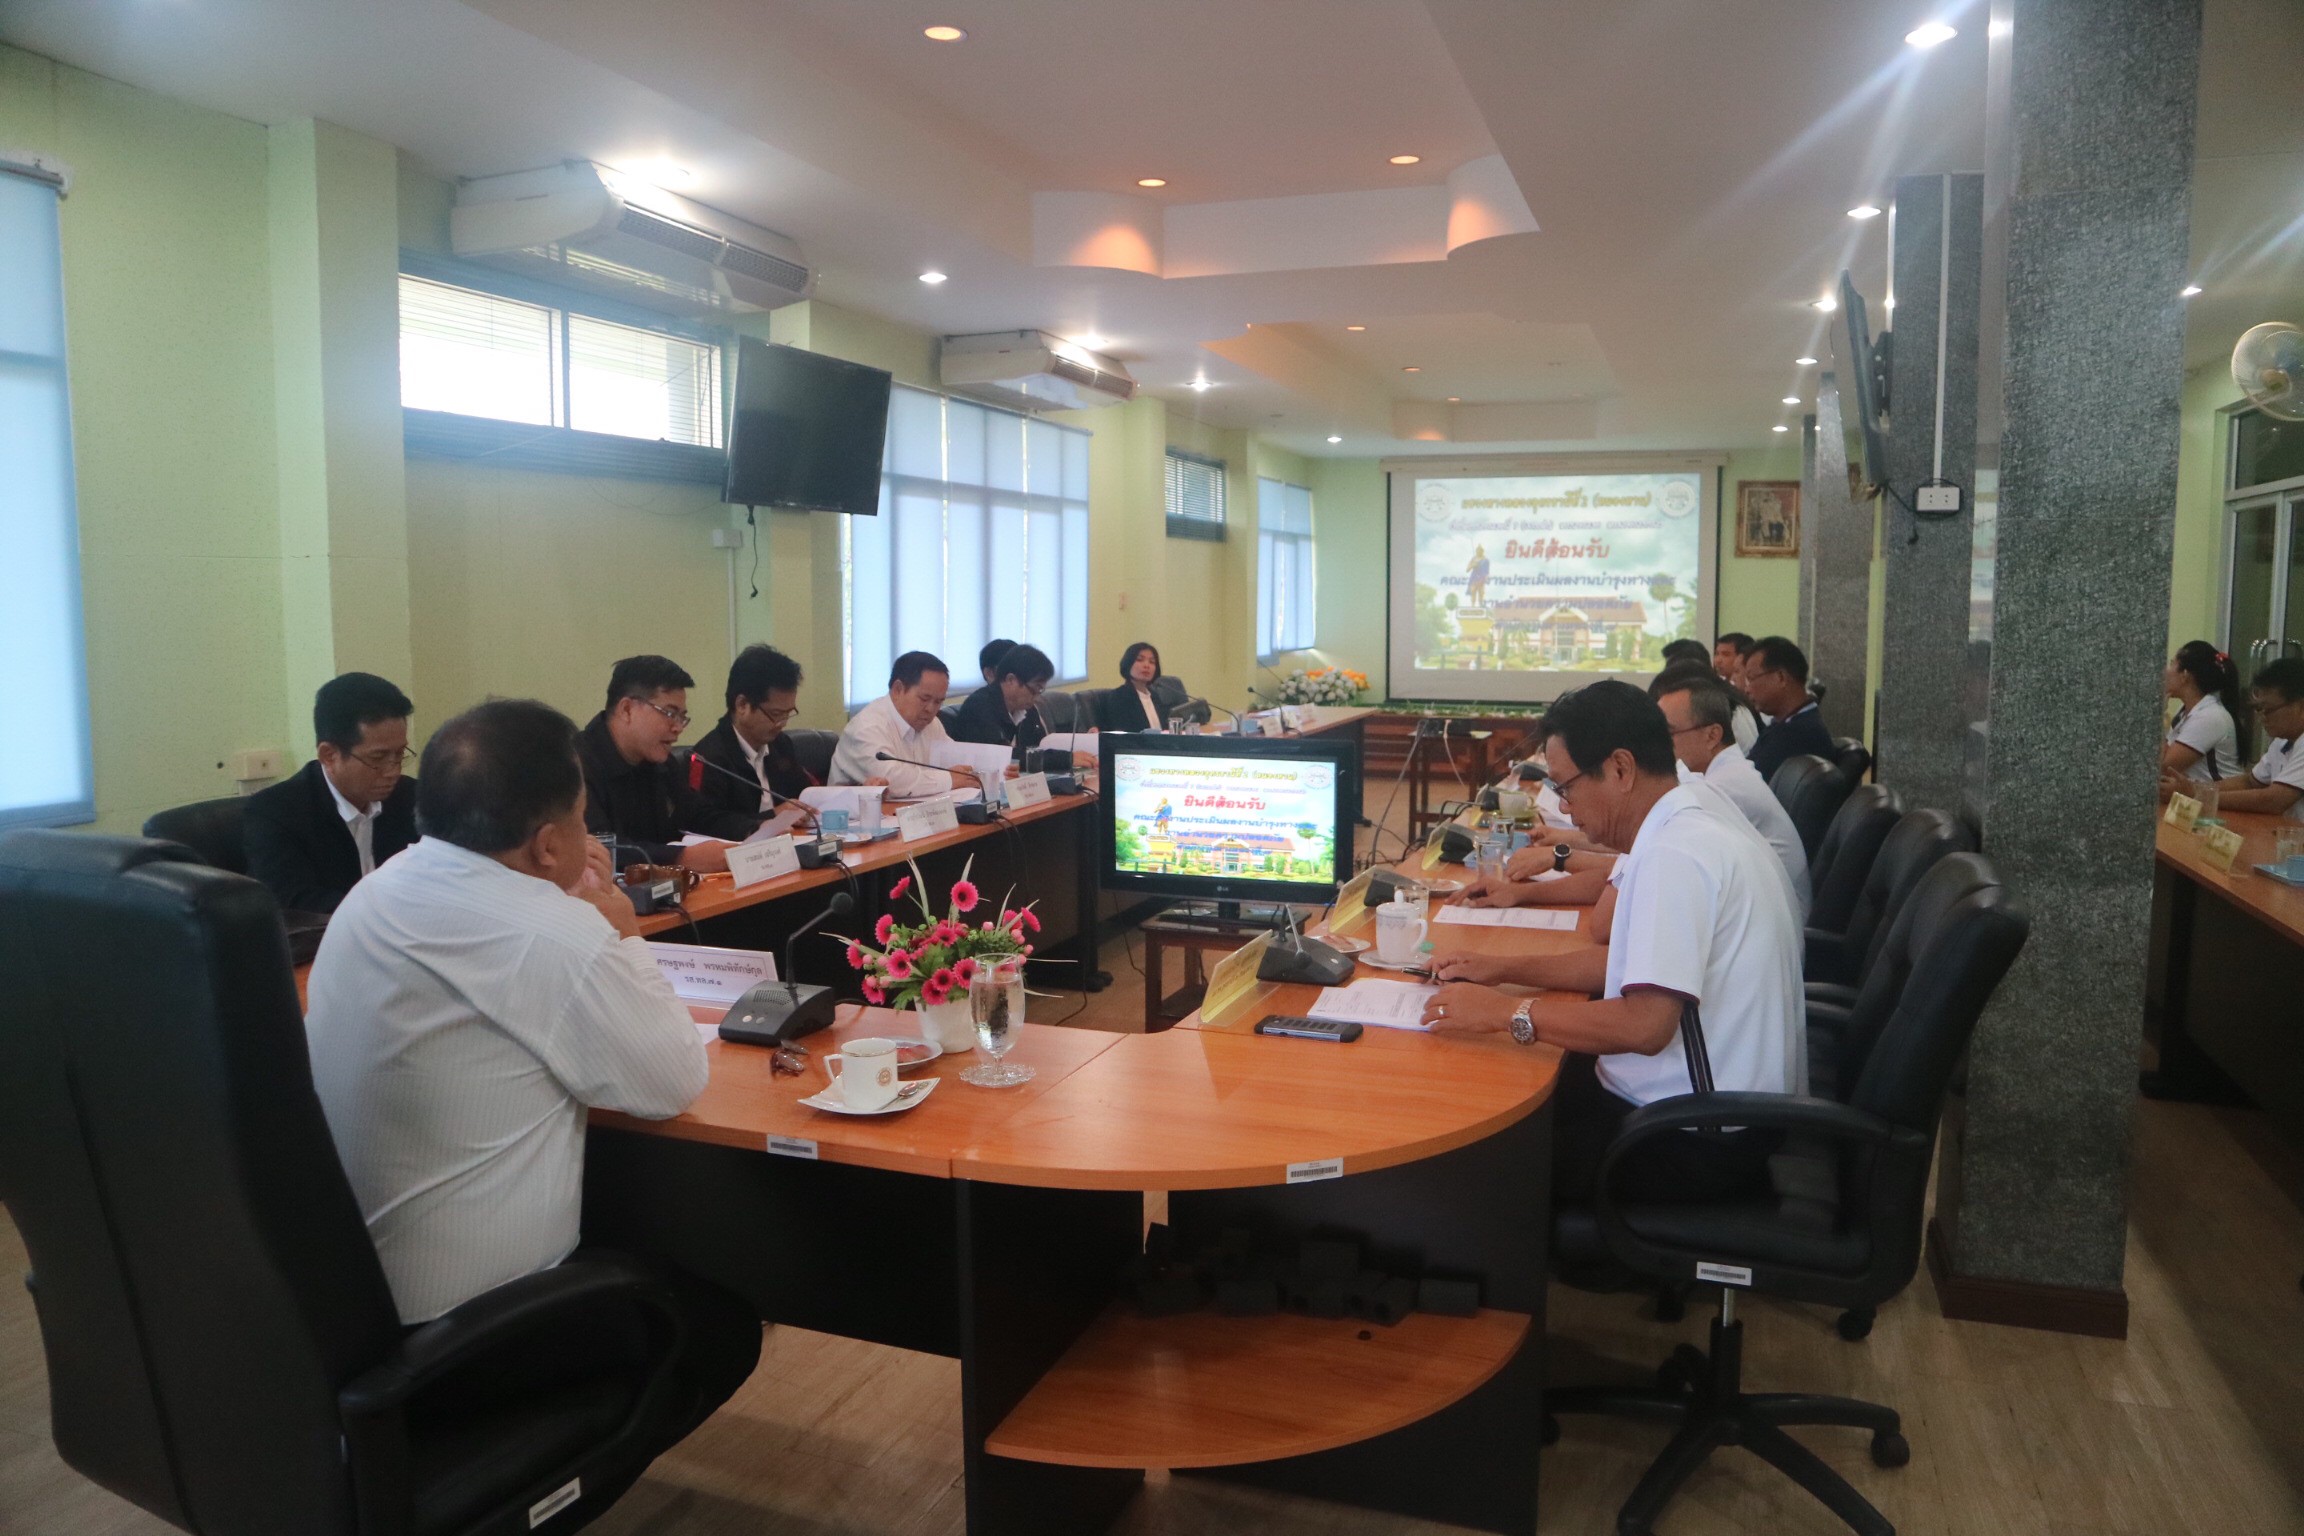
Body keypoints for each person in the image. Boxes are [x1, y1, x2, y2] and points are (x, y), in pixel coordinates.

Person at [305, 698, 712, 1323]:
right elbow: (673, 1082)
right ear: (547, 845)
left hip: (347, 1298)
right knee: (711, 1316)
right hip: (485, 1315)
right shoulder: (552, 933)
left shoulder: (375, 891)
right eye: (581, 820)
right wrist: (624, 932)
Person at [1419, 680, 1803, 1204]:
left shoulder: (1675, 854)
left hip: (1694, 1137)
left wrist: (1505, 1013)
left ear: (1621, 768)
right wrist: (1500, 969)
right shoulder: (1687, 814)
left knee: (1478, 1160)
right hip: (1710, 1113)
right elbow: (1623, 965)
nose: (1565, 808)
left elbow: (1644, 1025)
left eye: (1566, 787)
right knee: (1519, 1083)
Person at [244, 672, 420, 914]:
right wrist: (389, 910)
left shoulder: (413, 798)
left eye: (399, 754)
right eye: (378, 758)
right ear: (329, 755)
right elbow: (292, 902)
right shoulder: (275, 812)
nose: (393, 771)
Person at [1653, 668, 1812, 919]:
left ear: (1712, 735)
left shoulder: (1723, 786)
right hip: (1761, 911)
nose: (1657, 745)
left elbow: (1657, 857)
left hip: (1775, 919)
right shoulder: (1726, 772)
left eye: (1668, 734)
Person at [576, 655, 749, 872]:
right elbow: (596, 848)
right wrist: (679, 858)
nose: (678, 728)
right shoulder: (575, 766)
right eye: (669, 713)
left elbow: (699, 816)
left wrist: (754, 829)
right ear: (627, 709)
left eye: (682, 717)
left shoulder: (661, 762)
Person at [690, 644, 819, 836]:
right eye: (776, 714)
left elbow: (801, 795)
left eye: (788, 713)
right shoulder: (708, 758)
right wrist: (771, 816)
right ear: (742, 705)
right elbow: (703, 822)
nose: (782, 723)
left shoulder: (781, 745)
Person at [830, 650, 982, 797]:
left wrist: (979, 772)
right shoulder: (867, 727)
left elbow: (955, 759)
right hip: (852, 813)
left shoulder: (931, 723)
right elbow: (891, 780)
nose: (930, 709)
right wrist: (949, 779)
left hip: (915, 810)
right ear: (898, 690)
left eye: (938, 702)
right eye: (924, 699)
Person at [2179, 656, 2304, 819]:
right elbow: (2250, 782)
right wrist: (2196, 789)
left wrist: (2199, 796)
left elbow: (2274, 800)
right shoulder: (2282, 742)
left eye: (2267, 709)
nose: (2261, 718)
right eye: (2258, 709)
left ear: (2301, 707)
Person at [949, 642, 1080, 762]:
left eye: (1040, 691)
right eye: (1035, 689)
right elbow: (1002, 755)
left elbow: (1036, 748)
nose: (1037, 697)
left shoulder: (1027, 709)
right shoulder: (979, 707)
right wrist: (1064, 759)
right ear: (1011, 680)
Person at [1743, 635, 1833, 781]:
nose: (1747, 689)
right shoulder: (1790, 723)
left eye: (1751, 678)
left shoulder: (1797, 736)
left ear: (1781, 677)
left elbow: (1748, 784)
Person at [2161, 640, 2244, 785]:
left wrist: (2156, 717)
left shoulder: (2209, 717)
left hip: (2217, 797)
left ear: (2185, 675)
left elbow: (2164, 767)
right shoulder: (2185, 712)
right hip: (2195, 795)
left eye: (2172, 663)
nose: (2166, 671)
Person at [1094, 641, 1175, 732]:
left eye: (1152, 662)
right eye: (1139, 660)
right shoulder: (1119, 697)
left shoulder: (1155, 697)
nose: (1146, 665)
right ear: (1128, 664)